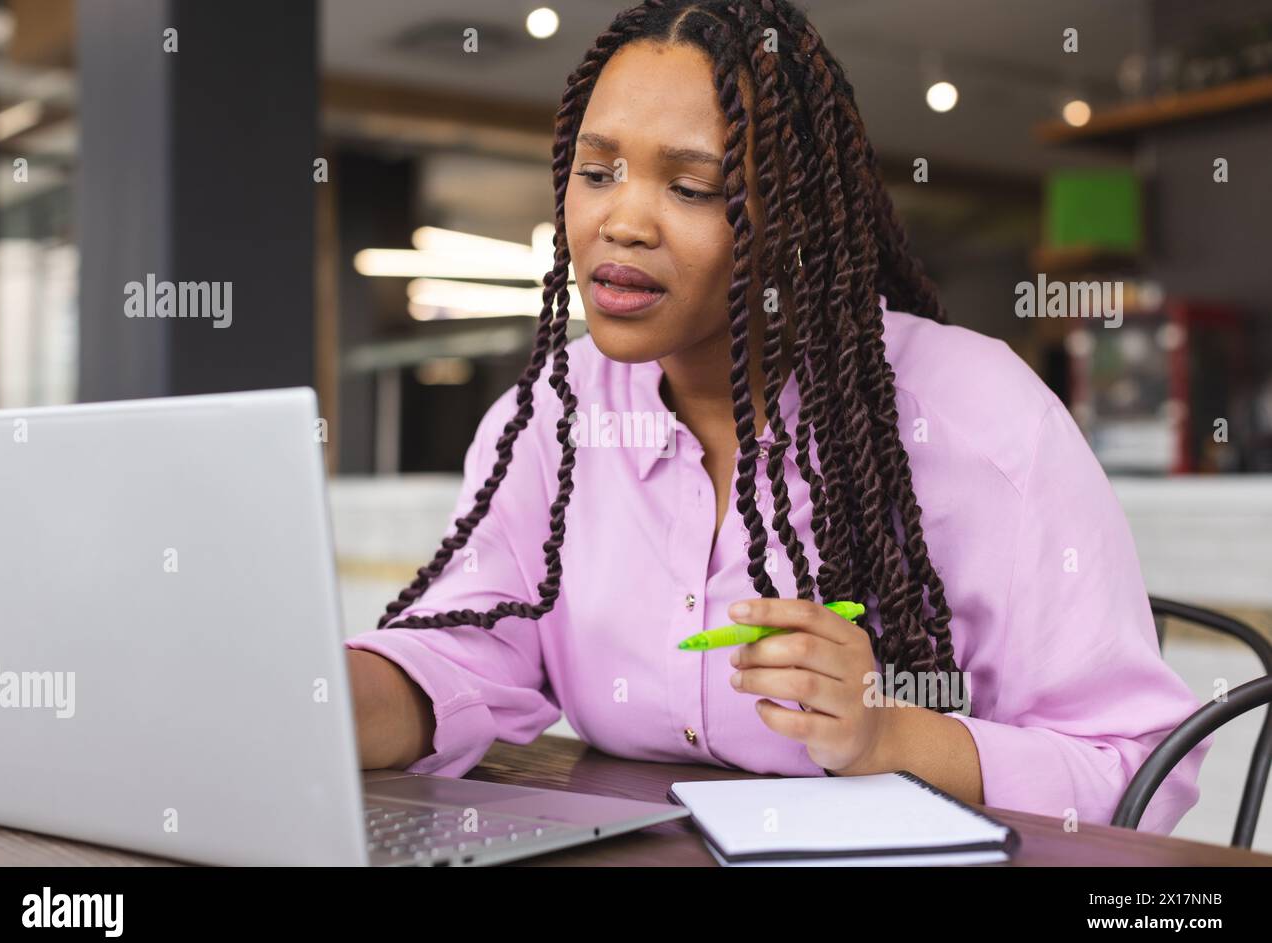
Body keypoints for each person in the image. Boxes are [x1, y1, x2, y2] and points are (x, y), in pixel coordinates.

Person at [345, 0, 1209, 835]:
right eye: (597, 171)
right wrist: (315, 694)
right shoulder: (551, 415)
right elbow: (464, 651)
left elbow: (1136, 765)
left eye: (689, 187)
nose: (623, 221)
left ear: (791, 220)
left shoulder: (977, 416)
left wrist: (887, 737)